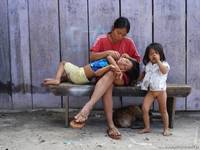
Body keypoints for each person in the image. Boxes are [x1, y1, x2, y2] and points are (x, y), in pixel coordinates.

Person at [70, 16, 141, 140]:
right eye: (118, 33)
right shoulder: (102, 39)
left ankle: (87, 108)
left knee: (112, 73)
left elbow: (137, 61)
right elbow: (92, 57)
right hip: (104, 75)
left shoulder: (128, 42)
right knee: (108, 80)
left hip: (122, 76)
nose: (120, 37)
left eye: (123, 35)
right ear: (113, 28)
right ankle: (111, 126)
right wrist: (107, 52)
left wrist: (128, 57)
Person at [139, 43, 172, 136]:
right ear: (148, 56)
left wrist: (158, 61)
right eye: (151, 54)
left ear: (160, 54)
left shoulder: (164, 64)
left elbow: (164, 71)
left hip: (161, 91)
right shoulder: (148, 65)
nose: (153, 55)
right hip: (151, 91)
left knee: (163, 110)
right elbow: (144, 74)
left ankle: (166, 128)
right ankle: (147, 127)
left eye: (156, 53)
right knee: (145, 108)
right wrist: (138, 80)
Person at [43, 55, 138, 86]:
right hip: (80, 74)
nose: (123, 63)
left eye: (125, 66)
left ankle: (57, 80)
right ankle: (62, 79)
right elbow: (109, 57)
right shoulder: (114, 63)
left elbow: (97, 73)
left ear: (123, 71)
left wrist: (111, 67)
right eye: (125, 61)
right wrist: (118, 64)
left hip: (80, 75)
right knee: (67, 76)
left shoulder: (112, 68)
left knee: (63, 63)